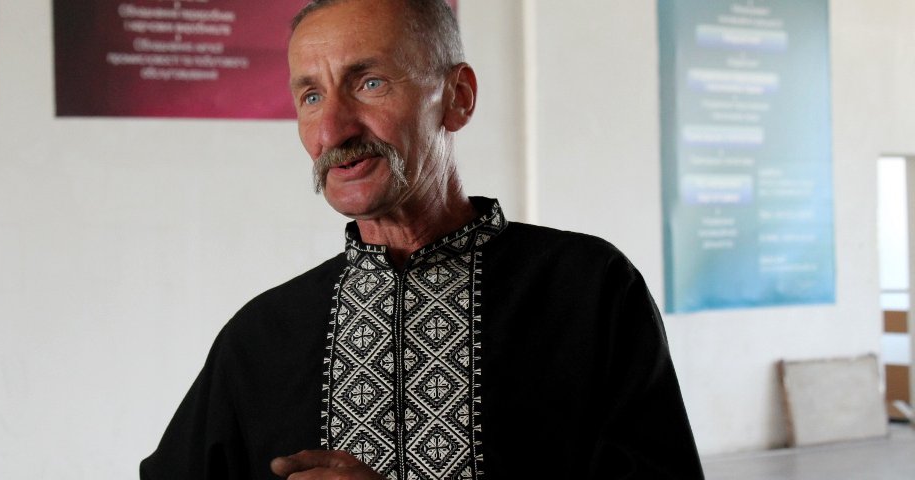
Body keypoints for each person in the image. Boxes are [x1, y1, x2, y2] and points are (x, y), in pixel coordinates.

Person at [140, 0, 704, 478]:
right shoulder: (262, 336)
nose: (332, 129)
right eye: (311, 96)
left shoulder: (587, 289)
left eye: (370, 83)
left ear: (457, 97)